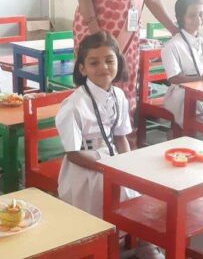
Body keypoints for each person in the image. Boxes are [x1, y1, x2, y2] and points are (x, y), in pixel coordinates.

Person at [55, 32, 162, 259]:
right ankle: (99, 248)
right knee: (107, 193)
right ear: (82, 68)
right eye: (94, 62)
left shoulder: (119, 95)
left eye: (109, 60)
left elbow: (121, 137)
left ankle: (144, 241)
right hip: (86, 166)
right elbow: (73, 154)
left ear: (118, 62)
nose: (103, 67)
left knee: (144, 186)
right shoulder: (73, 105)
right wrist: (108, 169)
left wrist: (129, 165)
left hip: (113, 159)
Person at [162, 0, 203, 130]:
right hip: (180, 93)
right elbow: (174, 78)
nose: (198, 19)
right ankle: (202, 134)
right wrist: (200, 78)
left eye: (201, 14)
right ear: (181, 18)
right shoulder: (172, 45)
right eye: (192, 15)